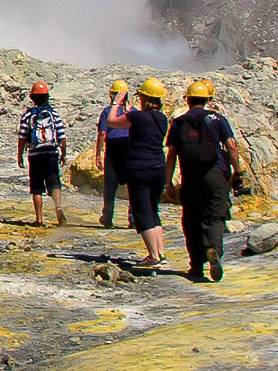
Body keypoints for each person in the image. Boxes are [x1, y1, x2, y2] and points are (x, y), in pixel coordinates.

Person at [164, 79, 241, 282]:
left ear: (188, 100)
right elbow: (231, 146)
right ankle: (213, 249)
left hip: (190, 176)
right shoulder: (217, 119)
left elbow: (171, 154)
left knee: (191, 219)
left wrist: (168, 182)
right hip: (215, 174)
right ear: (207, 99)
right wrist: (237, 171)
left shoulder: (178, 122)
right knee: (215, 216)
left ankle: (196, 265)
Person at [103, 78, 171, 268]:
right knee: (153, 210)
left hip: (139, 168)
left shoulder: (138, 117)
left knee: (142, 212)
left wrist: (116, 103)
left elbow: (112, 121)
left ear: (145, 98)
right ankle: (161, 253)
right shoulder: (162, 118)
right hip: (158, 167)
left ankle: (153, 257)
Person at [16, 81, 67, 227]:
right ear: (47, 97)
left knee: (37, 187)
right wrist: (63, 153)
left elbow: (22, 137)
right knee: (54, 183)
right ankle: (58, 207)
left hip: (35, 154)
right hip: (51, 152)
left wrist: (20, 155)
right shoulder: (54, 114)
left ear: (32, 97)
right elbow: (62, 135)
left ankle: (39, 219)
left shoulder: (27, 115)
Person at [94, 80, 130, 229]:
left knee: (110, 186)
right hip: (129, 149)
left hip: (113, 149)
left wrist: (98, 154)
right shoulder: (133, 111)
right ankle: (133, 217)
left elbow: (102, 133)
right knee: (131, 186)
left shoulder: (107, 111)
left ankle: (108, 216)